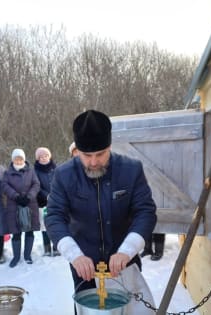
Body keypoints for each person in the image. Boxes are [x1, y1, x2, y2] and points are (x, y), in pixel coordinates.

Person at [45, 110, 157, 315]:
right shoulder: (64, 175)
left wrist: (127, 250)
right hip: (84, 267)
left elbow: (146, 212)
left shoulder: (131, 170)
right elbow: (54, 217)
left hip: (125, 262)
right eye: (87, 155)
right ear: (77, 150)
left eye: (100, 154)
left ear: (110, 147)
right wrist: (74, 255)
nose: (94, 162)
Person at [2, 148, 40, 268]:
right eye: (16, 159)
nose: (18, 161)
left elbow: (36, 184)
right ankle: (16, 257)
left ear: (24, 159)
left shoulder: (31, 171)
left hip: (30, 204)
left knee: (29, 231)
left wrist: (29, 196)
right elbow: (4, 185)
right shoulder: (7, 173)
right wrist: (16, 196)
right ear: (13, 160)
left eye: (20, 159)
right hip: (14, 205)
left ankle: (27, 255)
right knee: (16, 233)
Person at [34, 147, 59, 257]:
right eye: (41, 157)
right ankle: (47, 248)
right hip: (42, 202)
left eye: (45, 156)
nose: (43, 158)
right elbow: (36, 186)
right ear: (38, 159)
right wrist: (46, 195)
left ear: (49, 156)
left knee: (56, 224)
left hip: (56, 202)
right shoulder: (35, 171)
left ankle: (56, 247)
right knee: (45, 226)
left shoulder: (56, 168)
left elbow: (60, 183)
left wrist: (55, 195)